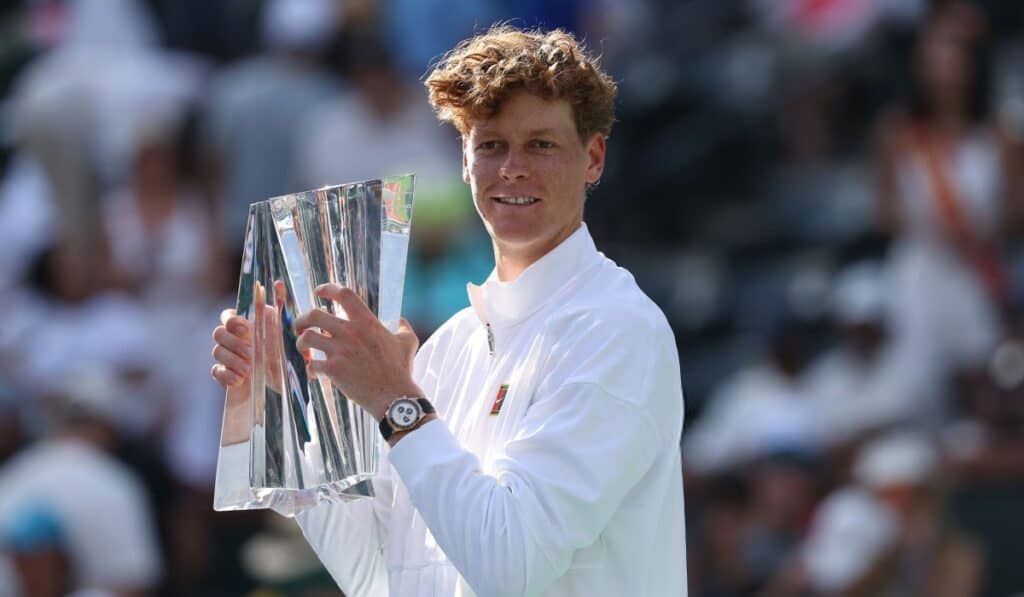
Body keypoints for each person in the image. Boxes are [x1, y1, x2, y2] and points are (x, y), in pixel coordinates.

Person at [211, 25, 687, 596]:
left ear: (593, 158)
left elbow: (511, 564)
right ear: (463, 161)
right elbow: (379, 578)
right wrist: (274, 402)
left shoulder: (618, 329)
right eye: (490, 145)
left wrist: (394, 399)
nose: (512, 168)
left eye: (541, 144)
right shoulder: (447, 348)